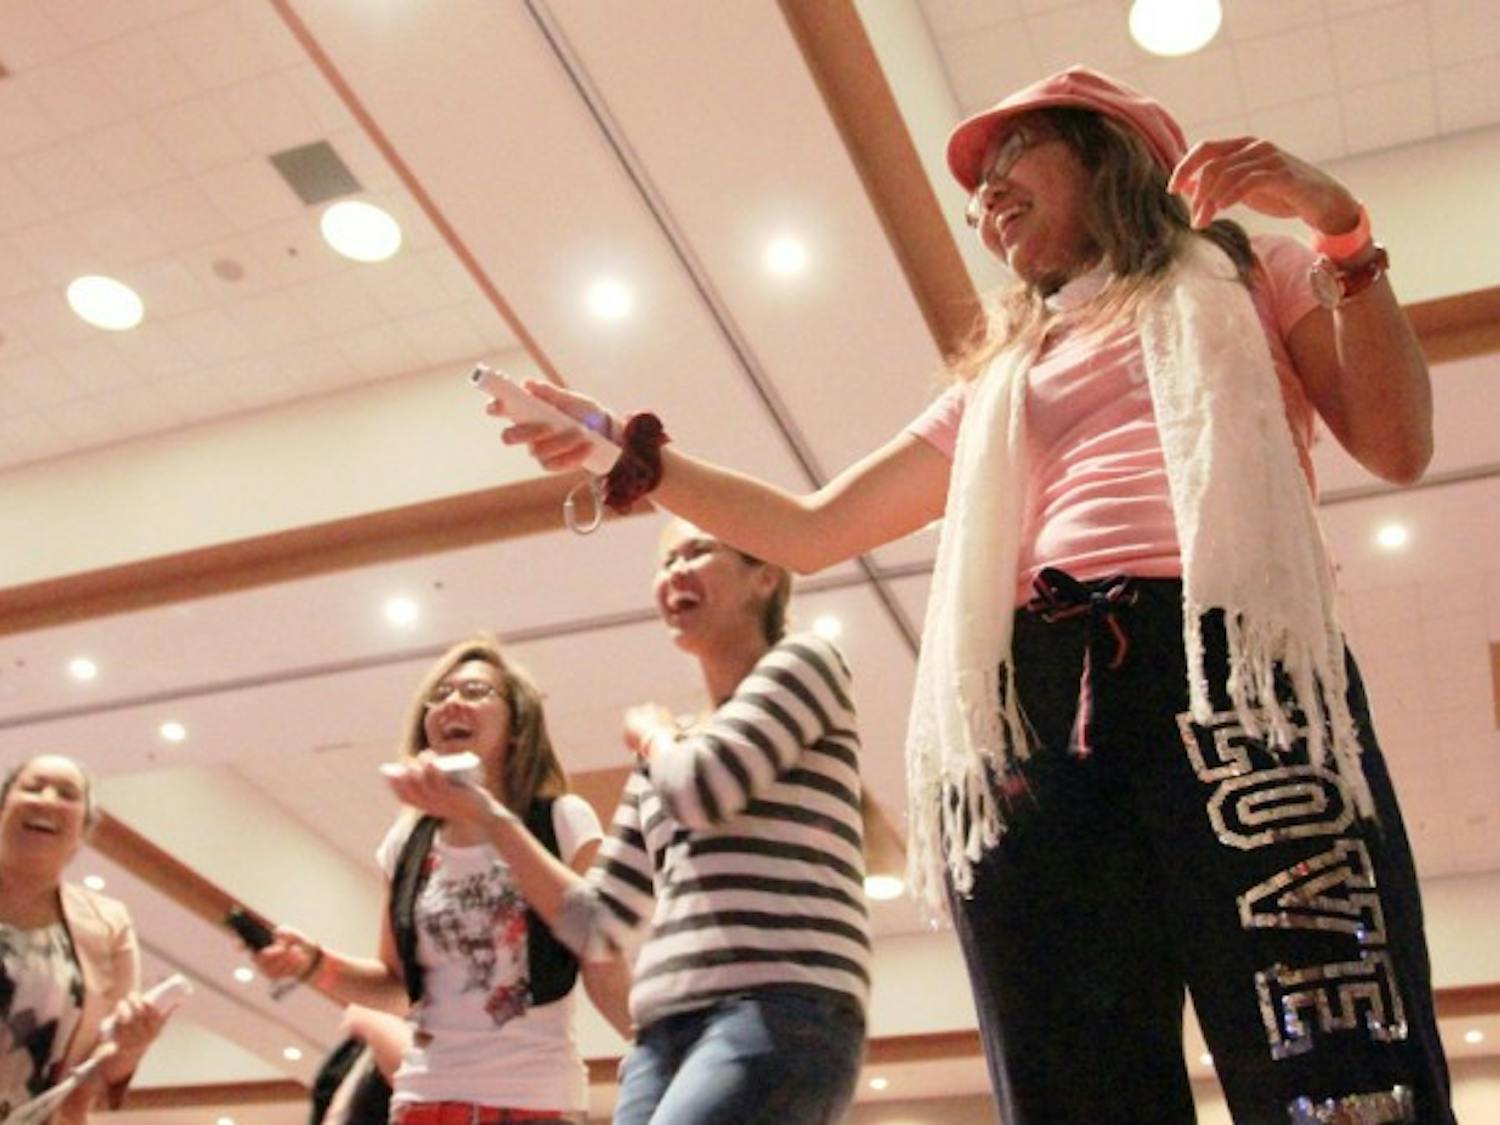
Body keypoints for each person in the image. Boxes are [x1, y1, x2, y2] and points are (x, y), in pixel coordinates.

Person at [491, 66, 1452, 1124]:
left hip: (1231, 665)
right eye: (977, 190)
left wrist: (1343, 234)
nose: (985, 199)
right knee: (1069, 1076)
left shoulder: (1251, 270)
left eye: (1013, 158)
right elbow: (813, 528)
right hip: (1030, 698)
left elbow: (1398, 443)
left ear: (1111, 151)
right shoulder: (1002, 377)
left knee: (1326, 1027)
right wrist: (621, 450)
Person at [385, 520, 870, 1124]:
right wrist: (489, 818)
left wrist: (654, 735)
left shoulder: (805, 662)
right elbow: (595, 925)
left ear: (764, 577)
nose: (675, 573)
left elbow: (705, 788)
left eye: (698, 552)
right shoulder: (664, 758)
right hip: (664, 1031)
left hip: (781, 1007)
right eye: (667, 562)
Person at [255, 635, 630, 1124]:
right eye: (440, 695)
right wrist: (315, 964)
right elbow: (396, 985)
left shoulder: (560, 820)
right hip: (424, 1099)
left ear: (518, 728)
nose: (452, 702)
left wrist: (651, 1041)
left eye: (475, 692)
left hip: (534, 1100)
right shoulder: (407, 843)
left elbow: (597, 942)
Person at [0, 755, 169, 1123]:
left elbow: (102, 1072)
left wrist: (132, 1045)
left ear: (83, 830)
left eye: (67, 794)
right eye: (33, 787)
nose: (47, 801)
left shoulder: (108, 924)